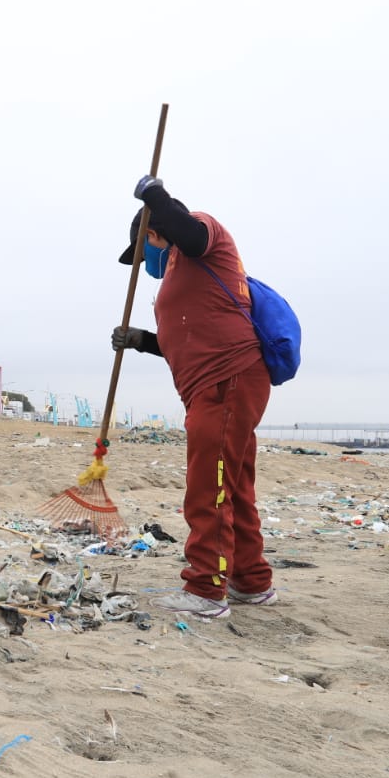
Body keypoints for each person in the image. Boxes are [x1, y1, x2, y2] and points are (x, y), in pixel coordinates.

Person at [111, 175, 277, 619]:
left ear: (152, 234)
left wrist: (155, 197)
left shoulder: (202, 237)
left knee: (208, 487)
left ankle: (206, 590)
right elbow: (186, 340)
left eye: (141, 252)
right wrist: (141, 339)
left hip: (228, 380)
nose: (143, 264)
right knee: (233, 484)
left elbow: (190, 232)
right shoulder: (178, 277)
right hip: (215, 386)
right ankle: (251, 581)